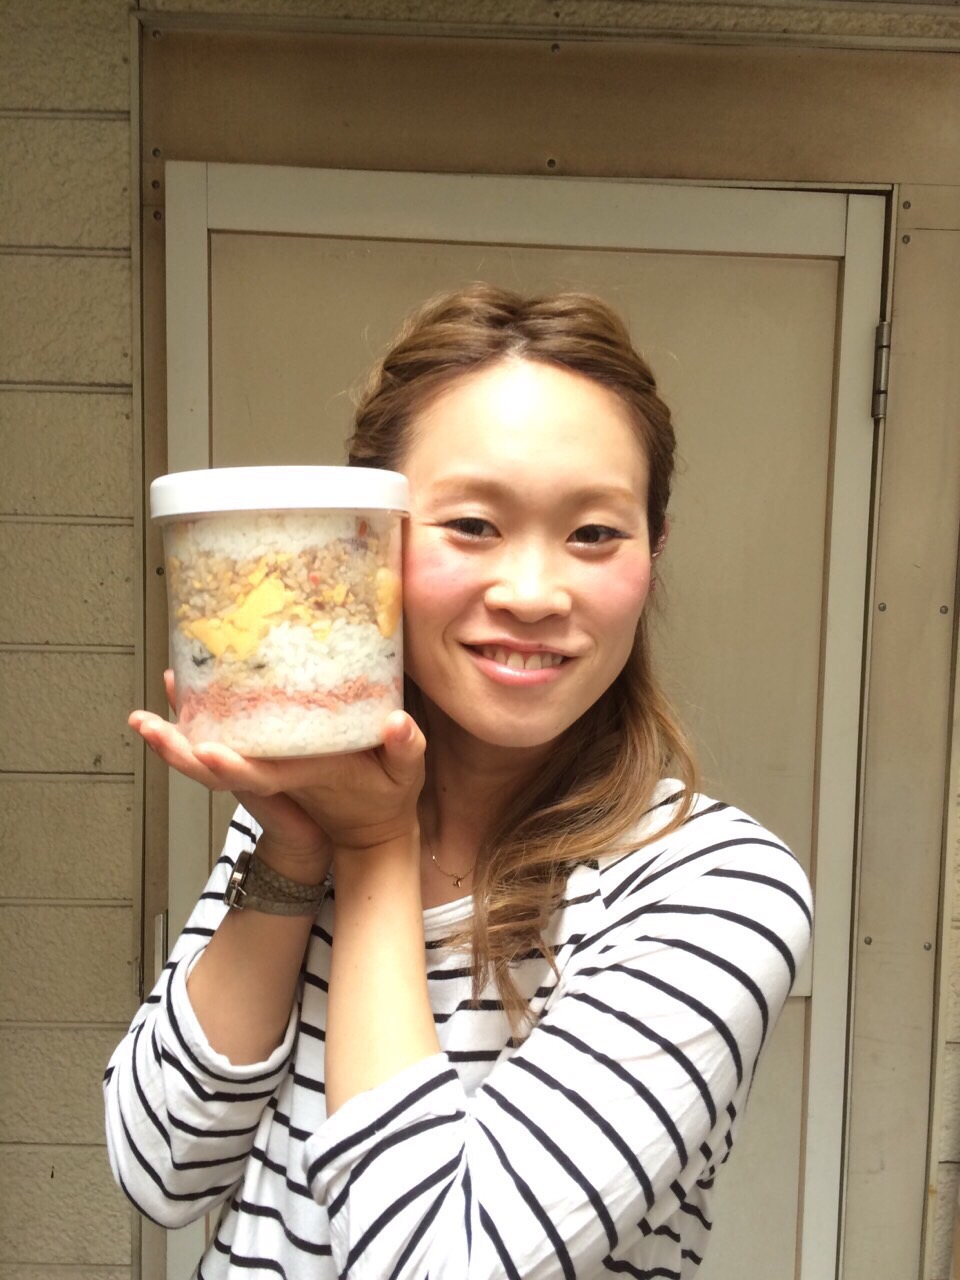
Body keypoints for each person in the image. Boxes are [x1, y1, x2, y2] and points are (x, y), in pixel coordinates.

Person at [104, 283, 812, 1279]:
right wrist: (293, 856)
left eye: (594, 533)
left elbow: (436, 1264)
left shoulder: (715, 888)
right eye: (474, 523)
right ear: (371, 541)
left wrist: (373, 847)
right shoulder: (311, 801)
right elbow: (159, 1168)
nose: (532, 592)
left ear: (653, 551)